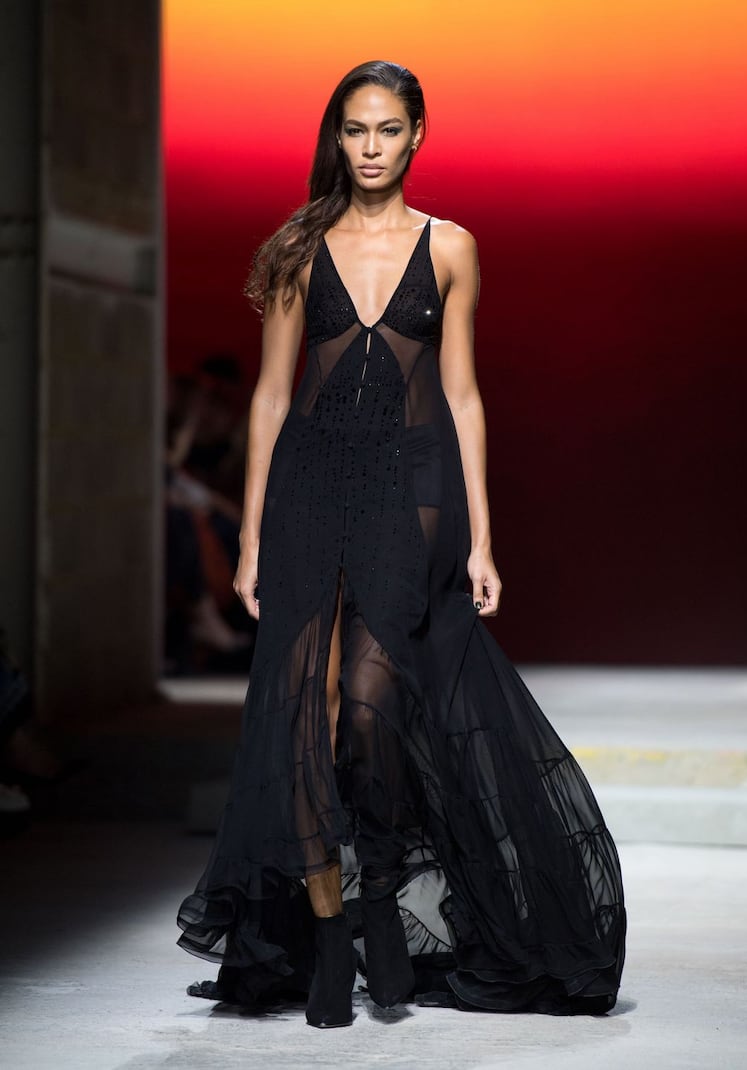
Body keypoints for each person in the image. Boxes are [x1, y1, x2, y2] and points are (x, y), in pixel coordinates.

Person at [177, 60, 626, 1028]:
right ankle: (332, 928)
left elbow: (461, 395)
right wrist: (250, 534)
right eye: (353, 130)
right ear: (336, 138)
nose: (370, 147)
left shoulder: (451, 247)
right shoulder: (299, 247)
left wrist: (483, 540)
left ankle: (380, 892)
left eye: (386, 129)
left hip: (409, 496)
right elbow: (266, 398)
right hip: (309, 487)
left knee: (370, 711)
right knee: (302, 714)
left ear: (417, 135)